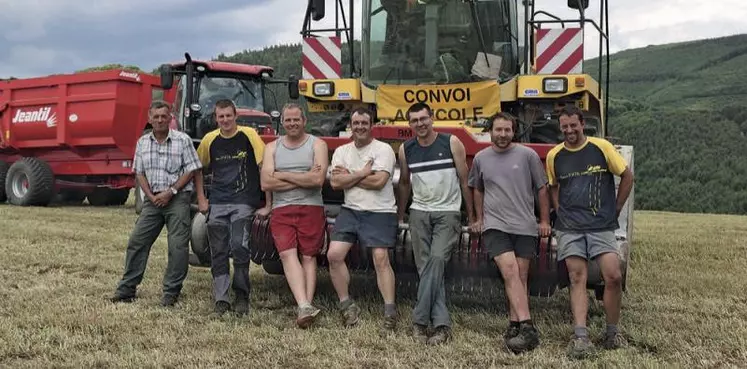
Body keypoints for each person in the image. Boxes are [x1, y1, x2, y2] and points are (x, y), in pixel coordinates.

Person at [546, 105, 634, 358]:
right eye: (564, 126)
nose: (569, 130)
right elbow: (552, 185)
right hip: (570, 226)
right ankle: (581, 336)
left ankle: (612, 332)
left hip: (600, 224)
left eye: (574, 125)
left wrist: (616, 209)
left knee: (613, 275)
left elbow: (627, 176)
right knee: (576, 277)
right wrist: (558, 208)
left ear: (582, 124)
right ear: (560, 127)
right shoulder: (555, 155)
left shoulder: (601, 147)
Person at [467, 112, 551, 353]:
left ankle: (514, 325)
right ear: (490, 131)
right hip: (496, 225)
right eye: (498, 130)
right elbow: (478, 189)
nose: (502, 135)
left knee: (520, 277)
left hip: (524, 225)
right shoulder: (481, 158)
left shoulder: (528, 156)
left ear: (514, 132)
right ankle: (528, 327)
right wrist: (480, 218)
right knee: (510, 271)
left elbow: (542, 189)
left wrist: (544, 219)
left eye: (507, 130)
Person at [110, 100, 202, 307]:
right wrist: (150, 196)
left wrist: (171, 191)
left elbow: (192, 169)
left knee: (177, 246)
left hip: (177, 199)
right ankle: (126, 289)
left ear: (170, 118)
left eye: (164, 116)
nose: (160, 120)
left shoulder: (183, 140)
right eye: (156, 117)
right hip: (153, 201)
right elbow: (139, 172)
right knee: (137, 241)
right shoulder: (143, 142)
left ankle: (171, 292)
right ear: (149, 119)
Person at [397, 102, 474, 345]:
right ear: (409, 124)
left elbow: (465, 181)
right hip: (419, 212)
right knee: (426, 268)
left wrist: (471, 216)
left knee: (437, 260)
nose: (420, 124)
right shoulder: (405, 149)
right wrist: (401, 215)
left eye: (423, 119)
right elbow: (405, 184)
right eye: (414, 120)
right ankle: (441, 327)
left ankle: (419, 321)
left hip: (448, 213)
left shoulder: (451, 143)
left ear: (432, 118)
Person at [195, 99, 272, 317]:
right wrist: (202, 198)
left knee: (239, 246)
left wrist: (268, 203)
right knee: (218, 251)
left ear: (235, 115)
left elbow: (263, 166)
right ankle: (221, 299)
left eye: (229, 115)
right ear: (216, 118)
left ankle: (241, 296)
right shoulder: (210, 139)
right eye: (221, 116)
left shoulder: (249, 135)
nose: (225, 120)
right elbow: (197, 169)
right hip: (218, 202)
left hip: (243, 201)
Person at [327, 107, 398, 332]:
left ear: (372, 125)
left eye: (364, 123)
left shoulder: (383, 150)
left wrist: (349, 175)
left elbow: (379, 183)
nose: (359, 127)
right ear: (350, 125)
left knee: (380, 258)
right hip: (350, 210)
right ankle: (347, 305)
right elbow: (335, 184)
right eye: (355, 123)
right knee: (334, 255)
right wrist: (362, 173)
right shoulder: (341, 151)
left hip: (380, 211)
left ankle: (389, 312)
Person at [260, 103, 329, 328]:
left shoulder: (318, 145)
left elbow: (317, 181)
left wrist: (283, 175)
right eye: (288, 120)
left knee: (309, 256)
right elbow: (266, 182)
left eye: (296, 120)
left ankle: (304, 306)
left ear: (304, 121)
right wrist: (303, 176)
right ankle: (304, 305)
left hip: (311, 207)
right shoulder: (271, 148)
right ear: (282, 123)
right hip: (282, 209)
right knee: (287, 255)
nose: (292, 124)